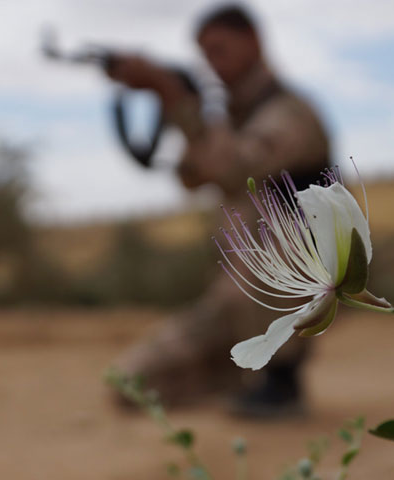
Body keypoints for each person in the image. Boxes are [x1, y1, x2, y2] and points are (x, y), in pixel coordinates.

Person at [107, 4, 331, 417]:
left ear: (254, 42)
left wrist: (174, 98)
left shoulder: (289, 112)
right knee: (132, 383)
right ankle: (245, 375)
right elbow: (193, 176)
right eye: (204, 53)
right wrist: (174, 102)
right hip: (237, 295)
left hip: (298, 280)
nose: (212, 62)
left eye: (220, 48)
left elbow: (232, 171)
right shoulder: (230, 119)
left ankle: (282, 380)